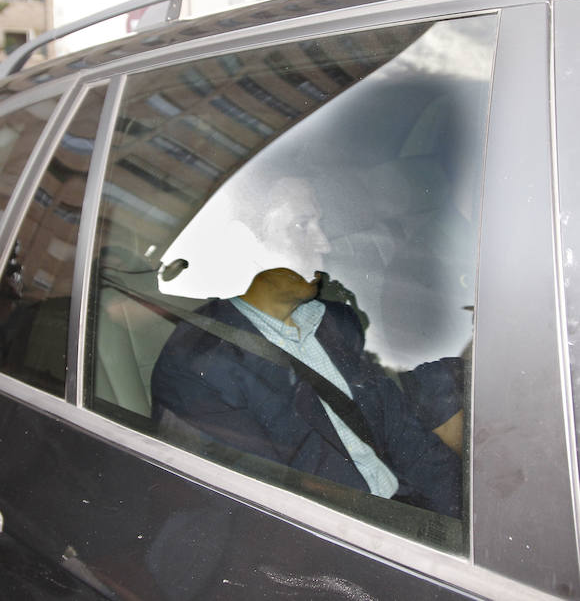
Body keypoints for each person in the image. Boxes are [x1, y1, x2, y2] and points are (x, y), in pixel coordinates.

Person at [150, 178, 462, 517]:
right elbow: (260, 510)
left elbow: (406, 437)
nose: (324, 244)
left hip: (406, 515)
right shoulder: (197, 367)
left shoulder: (338, 323)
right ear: (247, 243)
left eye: (320, 224)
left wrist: (462, 517)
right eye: (302, 225)